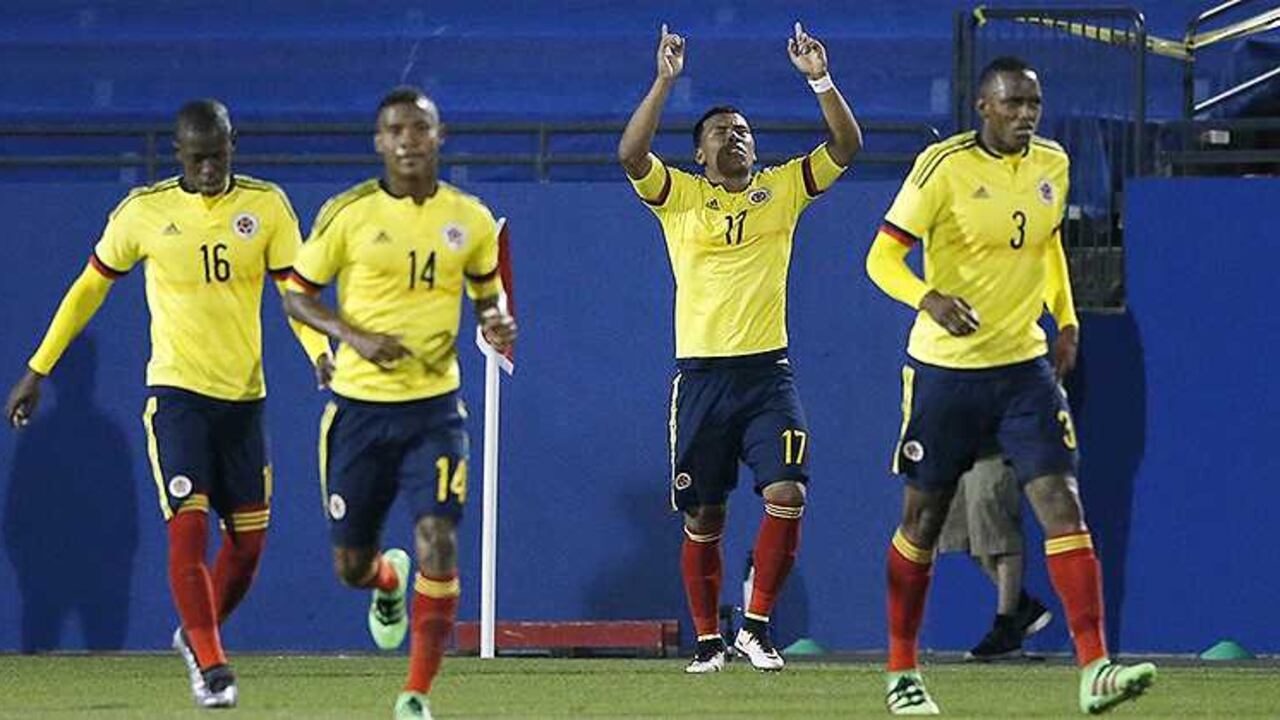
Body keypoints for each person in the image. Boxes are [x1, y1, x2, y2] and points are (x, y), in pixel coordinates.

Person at [4, 99, 333, 709]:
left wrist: (317, 349)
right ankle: (212, 666)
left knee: (248, 547)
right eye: (198, 157)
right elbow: (88, 289)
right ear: (178, 153)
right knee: (187, 526)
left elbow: (295, 292)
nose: (210, 167)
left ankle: (194, 634)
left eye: (220, 154)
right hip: (177, 396)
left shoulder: (266, 207)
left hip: (243, 400)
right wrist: (37, 369)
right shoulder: (144, 213)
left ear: (234, 145)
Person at [864, 56, 1157, 715]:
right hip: (945, 371)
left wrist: (1068, 317)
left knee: (1062, 503)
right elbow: (880, 257)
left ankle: (1095, 669)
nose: (1027, 114)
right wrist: (927, 297)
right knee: (924, 519)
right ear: (984, 108)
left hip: (1025, 367)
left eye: (1034, 103)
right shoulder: (942, 168)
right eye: (1014, 103)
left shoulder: (1053, 160)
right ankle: (902, 671)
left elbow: (1049, 244)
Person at [618, 22, 861, 674]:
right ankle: (707, 643)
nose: (738, 137)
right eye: (723, 132)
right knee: (705, 513)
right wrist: (665, 81)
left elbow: (846, 144)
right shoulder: (680, 199)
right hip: (700, 377)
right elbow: (631, 155)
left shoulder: (781, 190)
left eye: (745, 131)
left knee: (788, 492)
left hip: (766, 376)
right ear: (699, 153)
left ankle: (755, 628)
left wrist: (820, 79)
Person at [283, 86, 515, 720]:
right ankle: (385, 580)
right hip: (357, 411)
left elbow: (487, 294)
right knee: (349, 565)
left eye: (420, 128)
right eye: (396, 130)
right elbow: (296, 294)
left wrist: (495, 322)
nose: (409, 140)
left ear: (440, 137)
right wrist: (353, 336)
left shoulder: (468, 218)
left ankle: (415, 694)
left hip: (434, 411)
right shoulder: (348, 215)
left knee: (438, 538)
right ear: (379, 143)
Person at [937, 452, 1052, 660]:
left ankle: (1007, 623)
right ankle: (1023, 609)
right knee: (962, 533)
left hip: (995, 444)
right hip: (956, 442)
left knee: (998, 530)